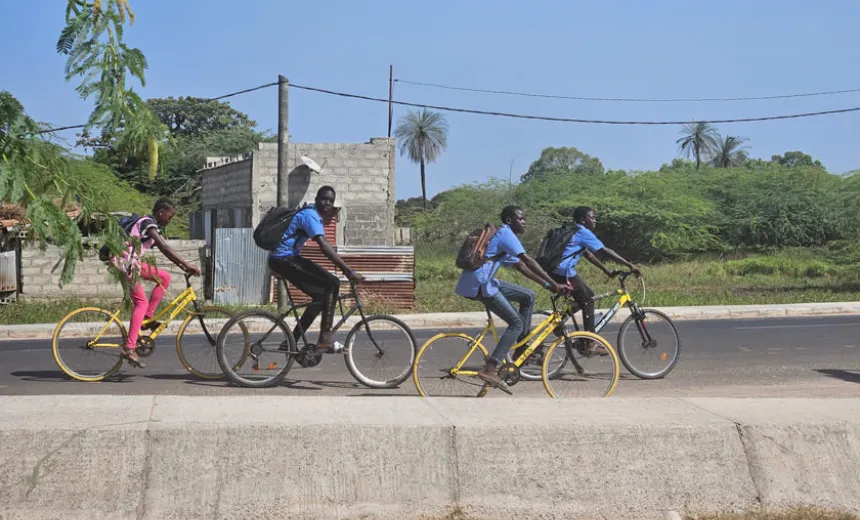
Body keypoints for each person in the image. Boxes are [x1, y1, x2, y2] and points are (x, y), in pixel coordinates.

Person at [455, 205, 569, 393]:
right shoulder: (506, 234)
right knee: (515, 324)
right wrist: (555, 285)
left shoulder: (501, 237)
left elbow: (521, 267)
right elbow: (529, 260)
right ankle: (491, 368)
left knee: (528, 296)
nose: (525, 222)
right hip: (481, 284)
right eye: (521, 219)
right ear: (509, 220)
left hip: (483, 281)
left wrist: (548, 285)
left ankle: (522, 347)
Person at [268, 185, 365, 354]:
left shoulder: (311, 214)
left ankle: (291, 341)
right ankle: (324, 339)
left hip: (287, 259)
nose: (327, 203)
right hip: (284, 260)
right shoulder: (310, 215)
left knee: (321, 297)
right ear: (316, 200)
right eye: (323, 199)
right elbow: (323, 246)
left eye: (331, 201)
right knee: (333, 282)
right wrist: (348, 272)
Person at [113, 199, 201, 368]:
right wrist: (187, 265)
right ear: (161, 212)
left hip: (133, 262)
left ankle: (148, 318)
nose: (170, 219)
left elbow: (163, 249)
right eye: (170, 216)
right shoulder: (148, 224)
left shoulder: (151, 226)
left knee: (164, 277)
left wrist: (182, 265)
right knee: (141, 302)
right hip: (126, 263)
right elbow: (165, 248)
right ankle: (129, 348)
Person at [551, 206, 640, 335]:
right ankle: (589, 342)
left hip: (554, 270)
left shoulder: (573, 230)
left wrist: (606, 270)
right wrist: (629, 265)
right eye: (592, 217)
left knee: (588, 295)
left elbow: (588, 254)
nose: (595, 220)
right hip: (563, 272)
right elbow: (605, 250)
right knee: (588, 300)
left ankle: (560, 322)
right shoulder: (583, 232)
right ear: (582, 220)